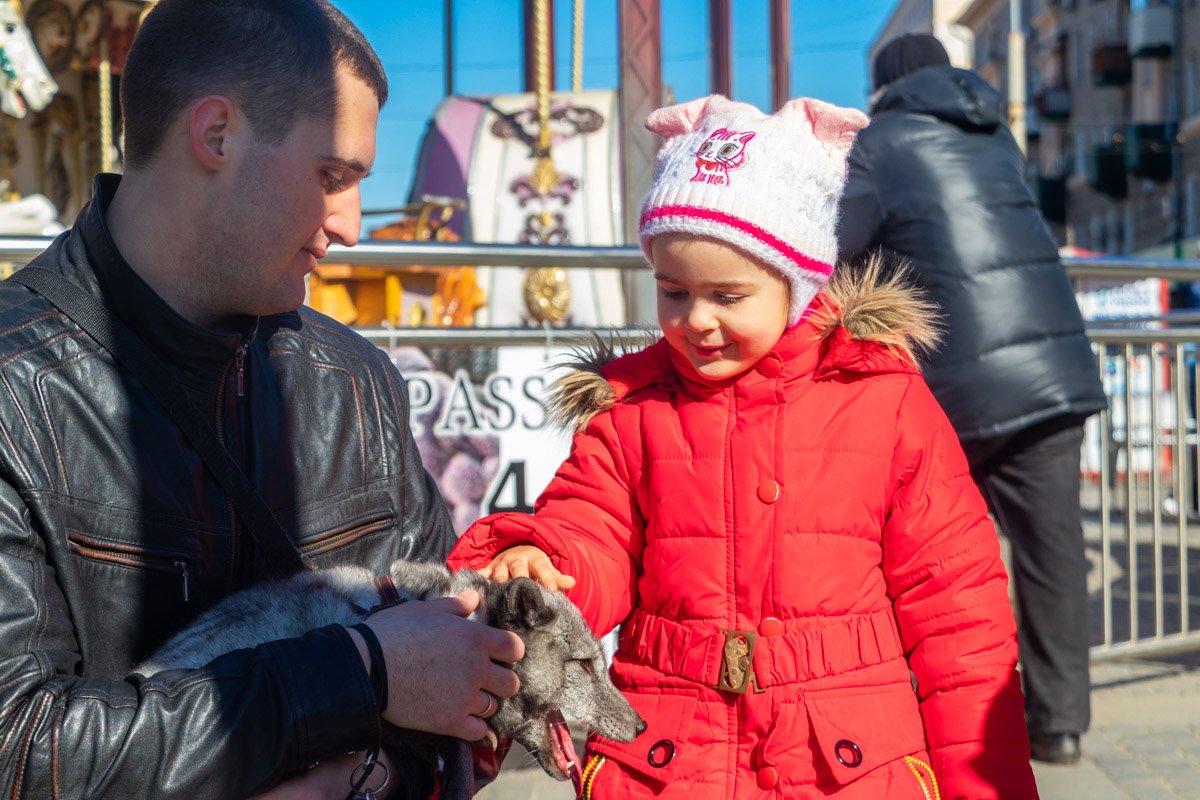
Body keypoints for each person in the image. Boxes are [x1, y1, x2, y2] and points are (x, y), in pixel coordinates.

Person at [0, 1, 523, 798]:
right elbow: (17, 747)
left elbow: (461, 678)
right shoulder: (16, 390)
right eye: (331, 176)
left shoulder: (356, 384)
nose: (351, 225)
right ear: (216, 134)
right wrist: (357, 674)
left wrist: (364, 779)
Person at [449, 94, 1039, 798]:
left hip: (846, 765)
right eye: (673, 292)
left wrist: (988, 785)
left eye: (727, 296)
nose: (695, 320)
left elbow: (958, 617)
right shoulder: (634, 407)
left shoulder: (882, 400)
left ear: (795, 285)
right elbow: (594, 527)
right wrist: (551, 566)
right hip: (671, 756)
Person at [836, 33, 1108, 765]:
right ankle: (1061, 725)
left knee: (934, 558)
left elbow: (833, 249)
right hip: (1053, 371)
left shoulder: (881, 144)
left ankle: (935, 714)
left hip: (961, 388)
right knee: (1053, 556)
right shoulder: (996, 135)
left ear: (884, 86)